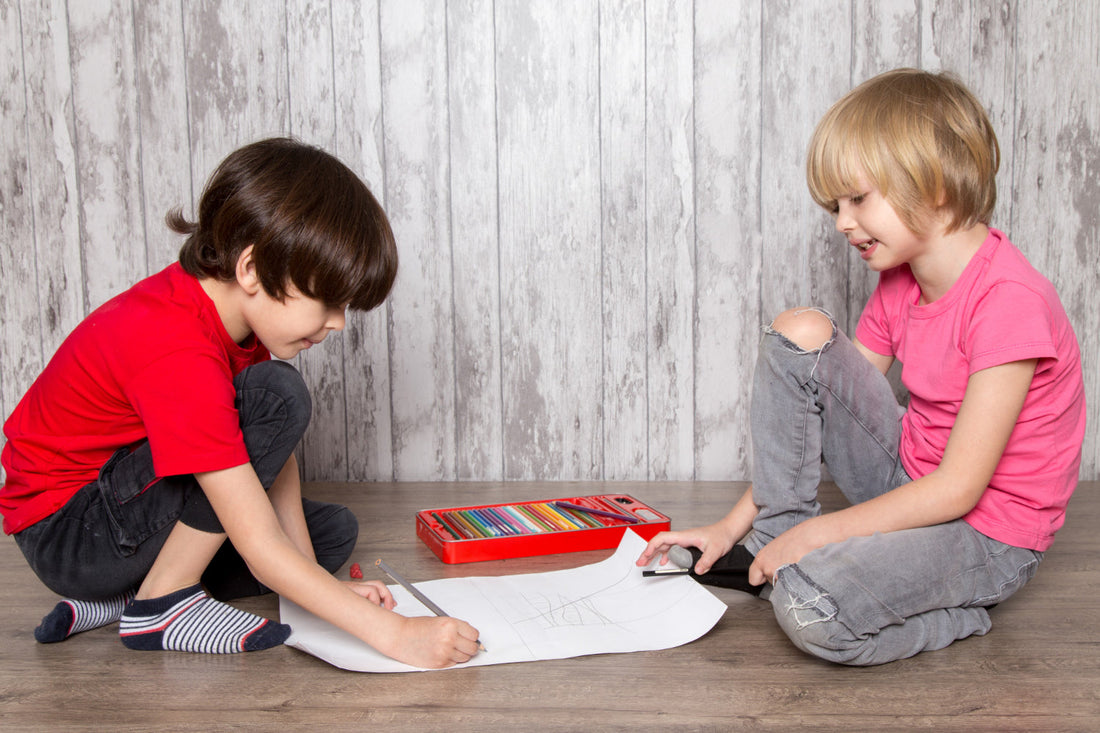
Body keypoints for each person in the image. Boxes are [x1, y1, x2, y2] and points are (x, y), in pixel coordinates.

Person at [638, 69, 1086, 665]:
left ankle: (961, 612)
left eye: (858, 199)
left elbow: (959, 488)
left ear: (935, 185)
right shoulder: (903, 282)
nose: (842, 222)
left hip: (988, 534)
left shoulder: (1009, 301)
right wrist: (732, 529)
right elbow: (819, 404)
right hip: (911, 480)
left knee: (809, 607)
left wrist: (821, 535)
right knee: (799, 333)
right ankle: (778, 540)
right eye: (835, 204)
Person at [1, 137, 481, 668]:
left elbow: (268, 459)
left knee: (328, 535)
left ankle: (123, 595)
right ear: (253, 269)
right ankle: (162, 603)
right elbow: (255, 536)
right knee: (278, 402)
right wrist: (392, 634)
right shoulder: (174, 345)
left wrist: (320, 587)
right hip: (70, 531)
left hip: (121, 513)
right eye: (329, 301)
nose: (338, 323)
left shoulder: (232, 324)